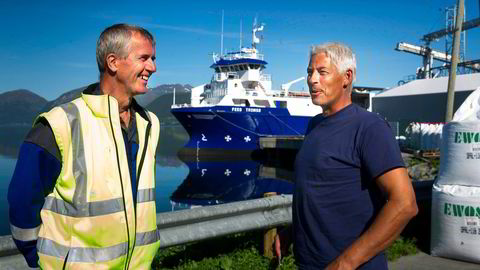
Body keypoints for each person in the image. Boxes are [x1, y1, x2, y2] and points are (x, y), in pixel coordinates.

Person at [8, 23, 161, 269]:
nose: (152, 67)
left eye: (153, 58)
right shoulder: (60, 124)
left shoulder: (149, 124)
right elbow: (22, 202)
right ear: (113, 62)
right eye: (144, 58)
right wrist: (39, 261)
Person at [276, 42, 418, 269]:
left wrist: (346, 263)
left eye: (322, 72)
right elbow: (324, 193)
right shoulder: (315, 125)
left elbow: (405, 203)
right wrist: (292, 232)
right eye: (309, 72)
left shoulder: (369, 127)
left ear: (347, 77)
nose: (312, 80)